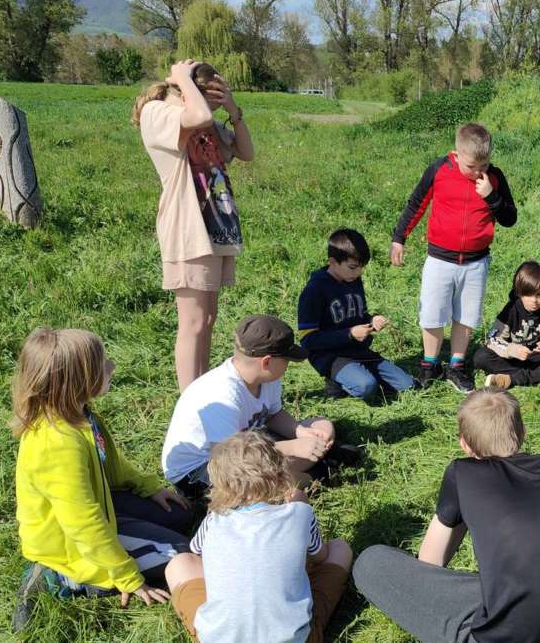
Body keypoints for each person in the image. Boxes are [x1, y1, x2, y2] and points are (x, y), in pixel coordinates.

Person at [352, 389, 540, 643]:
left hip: (506, 635)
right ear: (522, 432)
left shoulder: (461, 474)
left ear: (464, 444)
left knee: (370, 562)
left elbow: (430, 562)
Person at [10, 328, 192, 632]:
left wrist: (150, 488)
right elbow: (83, 524)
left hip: (100, 509)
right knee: (181, 554)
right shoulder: (58, 445)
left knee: (182, 514)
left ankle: (124, 539)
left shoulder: (79, 414)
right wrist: (128, 579)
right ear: (78, 381)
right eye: (102, 364)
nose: (112, 367)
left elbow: (112, 466)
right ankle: (56, 576)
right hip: (71, 546)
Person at [134, 58, 255, 392]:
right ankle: (191, 406)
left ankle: (199, 392)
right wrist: (182, 78)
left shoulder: (209, 121)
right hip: (188, 228)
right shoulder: (159, 113)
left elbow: (245, 152)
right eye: (213, 95)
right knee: (192, 322)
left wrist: (233, 109)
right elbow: (198, 115)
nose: (214, 106)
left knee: (207, 319)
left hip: (216, 227)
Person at [164, 431, 353, 643]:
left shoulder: (213, 521)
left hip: (218, 639)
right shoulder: (299, 512)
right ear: (282, 474)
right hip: (295, 639)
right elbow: (321, 557)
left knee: (179, 563)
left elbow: (196, 554)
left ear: (218, 484)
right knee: (340, 549)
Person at [161, 315, 350, 500]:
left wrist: (300, 432)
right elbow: (232, 456)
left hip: (250, 443)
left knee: (322, 426)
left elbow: (273, 415)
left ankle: (311, 464)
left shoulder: (266, 377)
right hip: (206, 468)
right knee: (272, 483)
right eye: (286, 360)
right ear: (266, 362)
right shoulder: (221, 394)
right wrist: (292, 447)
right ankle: (318, 474)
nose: (288, 366)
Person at [389, 123, 518, 393]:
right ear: (456, 155)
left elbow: (510, 218)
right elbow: (416, 203)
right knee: (432, 313)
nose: (478, 172)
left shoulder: (494, 178)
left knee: (466, 315)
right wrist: (399, 238)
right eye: (472, 166)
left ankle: (457, 365)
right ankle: (429, 364)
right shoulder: (440, 170)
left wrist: (491, 197)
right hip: (440, 259)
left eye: (484, 164)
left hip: (475, 262)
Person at [298, 228, 415, 400]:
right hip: (330, 356)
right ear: (332, 262)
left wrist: (372, 320)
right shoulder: (314, 291)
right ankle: (336, 381)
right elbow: (307, 340)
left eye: (361, 268)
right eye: (353, 267)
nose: (358, 272)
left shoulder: (353, 280)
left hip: (359, 352)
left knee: (408, 385)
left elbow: (358, 315)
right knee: (366, 387)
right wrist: (349, 334)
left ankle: (359, 375)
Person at [472, 260, 540, 388]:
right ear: (519, 292)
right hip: (513, 359)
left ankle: (510, 379)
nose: (535, 300)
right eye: (528, 295)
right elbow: (492, 339)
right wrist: (512, 349)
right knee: (481, 356)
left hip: (539, 358)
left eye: (539, 294)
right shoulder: (511, 310)